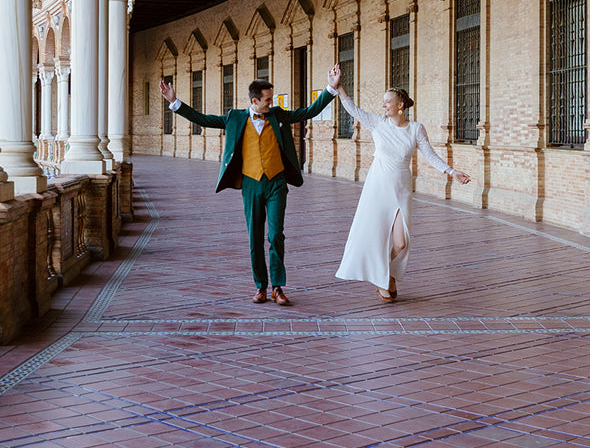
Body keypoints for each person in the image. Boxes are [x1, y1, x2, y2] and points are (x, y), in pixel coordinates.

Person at [161, 63, 342, 306]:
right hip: (251, 184)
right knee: (254, 238)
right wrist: (175, 102)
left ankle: (278, 286)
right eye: (267, 100)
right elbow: (203, 120)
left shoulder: (278, 115)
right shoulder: (235, 118)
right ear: (255, 101)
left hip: (276, 183)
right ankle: (261, 287)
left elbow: (308, 111)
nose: (271, 103)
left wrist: (331, 88)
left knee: (276, 234)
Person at [331, 81, 470, 302]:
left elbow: (430, 155)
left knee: (401, 242)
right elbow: (353, 109)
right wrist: (338, 88)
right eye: (384, 101)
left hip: (401, 187)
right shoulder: (378, 123)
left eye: (388, 101)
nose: (384, 105)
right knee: (376, 234)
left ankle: (384, 272)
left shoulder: (416, 129)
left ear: (400, 105)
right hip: (378, 187)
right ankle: (383, 277)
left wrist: (452, 172)